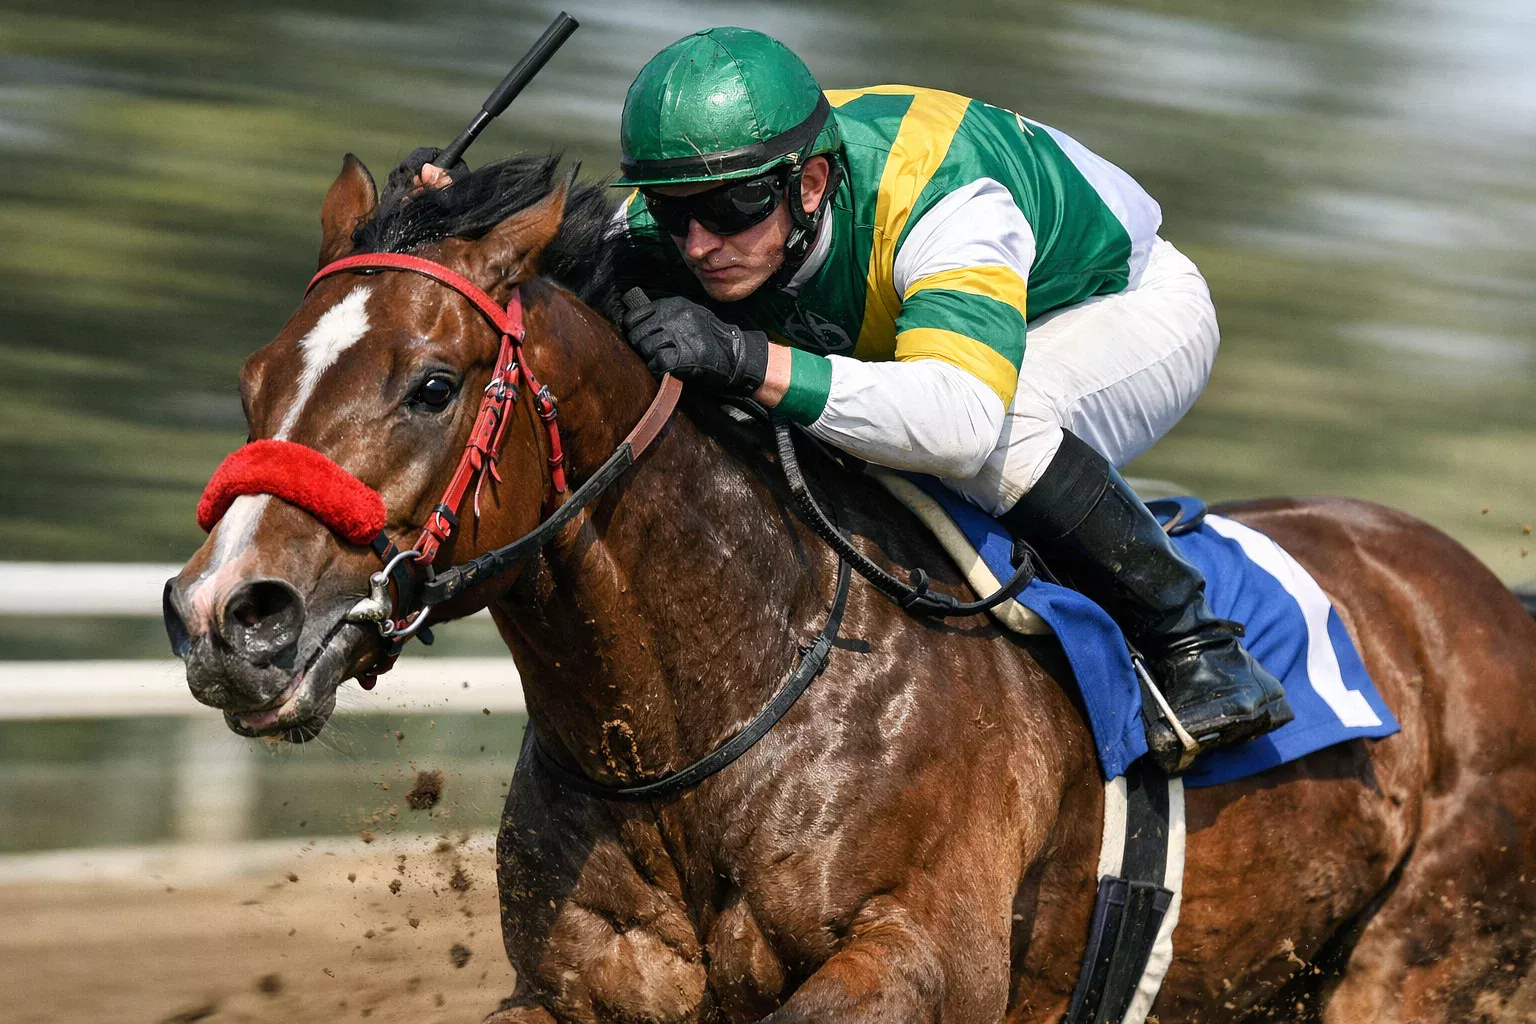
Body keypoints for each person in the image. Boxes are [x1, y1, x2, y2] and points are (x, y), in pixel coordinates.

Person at [409, 27, 1293, 772]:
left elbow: (958, 421)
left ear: (811, 184)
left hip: (1114, 306)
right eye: (675, 213)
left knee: (1003, 431)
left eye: (733, 209)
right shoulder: (704, 206)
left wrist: (749, 360)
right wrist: (437, 226)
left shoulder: (950, 205)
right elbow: (529, 270)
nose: (701, 243)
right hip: (929, 329)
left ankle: (1194, 643)